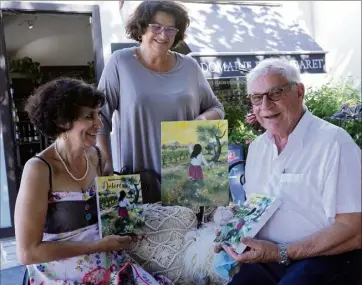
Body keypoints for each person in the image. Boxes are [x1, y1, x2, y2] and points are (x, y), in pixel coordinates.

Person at [14, 78, 173, 285]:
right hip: (60, 274)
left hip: (108, 265)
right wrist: (97, 246)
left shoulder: (98, 157)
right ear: (63, 122)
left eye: (99, 114)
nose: (99, 124)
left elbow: (112, 214)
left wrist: (128, 228)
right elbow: (27, 253)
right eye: (89, 116)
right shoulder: (39, 169)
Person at [222, 58, 362, 285]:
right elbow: (255, 207)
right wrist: (232, 235)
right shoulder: (258, 148)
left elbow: (354, 229)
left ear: (299, 92)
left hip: (326, 258)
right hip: (271, 259)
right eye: (257, 97)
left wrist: (282, 252)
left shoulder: (335, 143)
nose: (265, 105)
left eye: (275, 93)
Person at [96, 0, 224, 203]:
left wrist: (197, 123)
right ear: (141, 28)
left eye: (171, 29)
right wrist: (105, 160)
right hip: (139, 180)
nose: (163, 35)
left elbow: (216, 108)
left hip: (187, 178)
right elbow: (99, 116)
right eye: (156, 27)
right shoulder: (120, 63)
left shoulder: (190, 66)